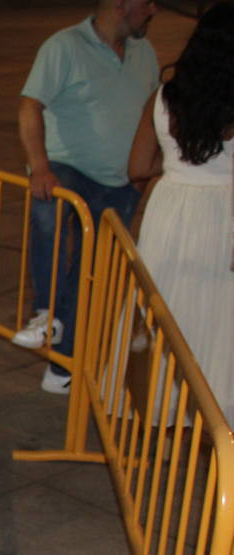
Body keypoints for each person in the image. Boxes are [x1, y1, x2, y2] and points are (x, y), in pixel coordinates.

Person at [15, 0, 158, 394]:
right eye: (147, 3)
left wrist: (146, 173)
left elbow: (153, 114)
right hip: (69, 168)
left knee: (90, 276)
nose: (153, 11)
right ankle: (45, 312)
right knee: (49, 208)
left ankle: (62, 366)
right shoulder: (64, 46)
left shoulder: (145, 53)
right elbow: (30, 105)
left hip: (121, 182)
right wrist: (39, 165)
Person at [129, 2, 234, 423]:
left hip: (170, 210)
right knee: (219, 315)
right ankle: (216, 412)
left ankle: (161, 406)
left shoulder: (162, 96)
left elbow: (136, 168)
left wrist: (175, 167)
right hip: (224, 213)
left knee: (167, 309)